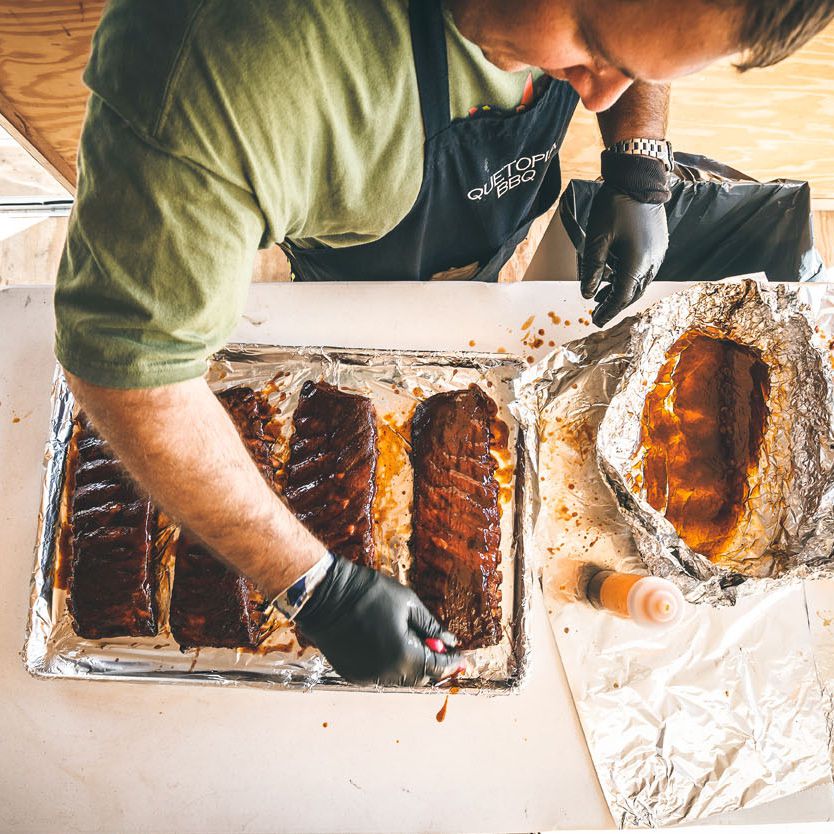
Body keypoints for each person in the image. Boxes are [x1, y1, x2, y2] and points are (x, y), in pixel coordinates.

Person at [55, 0, 834, 685]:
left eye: (635, 70)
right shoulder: (218, 71)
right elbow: (128, 367)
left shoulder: (604, 56)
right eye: (591, 46)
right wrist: (308, 585)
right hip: (348, 266)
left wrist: (641, 158)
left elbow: (639, 41)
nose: (596, 95)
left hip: (485, 220)